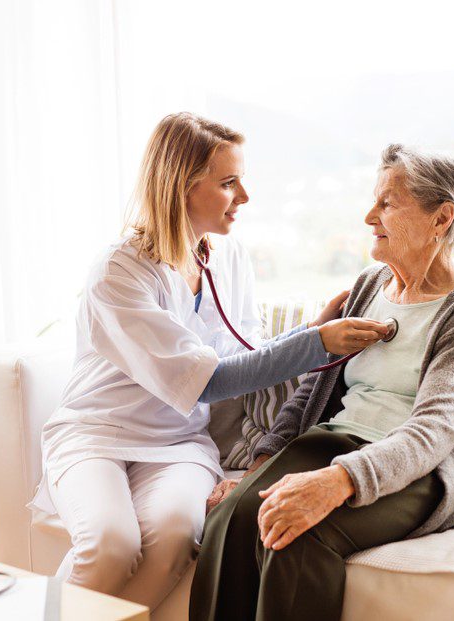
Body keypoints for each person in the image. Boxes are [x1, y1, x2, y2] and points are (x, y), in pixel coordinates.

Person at [27, 113, 392, 610]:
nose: (244, 196)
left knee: (175, 537)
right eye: (228, 183)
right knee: (110, 544)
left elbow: (245, 355)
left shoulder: (227, 256)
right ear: (180, 186)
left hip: (178, 442)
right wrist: (318, 343)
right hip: (97, 435)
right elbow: (207, 382)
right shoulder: (119, 272)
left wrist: (311, 332)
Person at [191, 144, 454, 621]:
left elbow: (432, 435)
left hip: (425, 469)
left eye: (387, 203)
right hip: (340, 442)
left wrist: (337, 482)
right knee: (232, 517)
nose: (369, 216)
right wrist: (261, 465)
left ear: (441, 218)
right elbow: (313, 391)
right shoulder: (369, 285)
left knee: (294, 533)